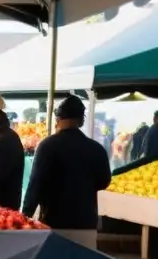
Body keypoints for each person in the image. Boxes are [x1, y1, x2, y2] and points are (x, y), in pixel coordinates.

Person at [21, 96, 111, 248]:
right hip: (86, 224)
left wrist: (24, 217)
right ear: (81, 120)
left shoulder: (47, 146)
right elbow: (104, 181)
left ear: (57, 119)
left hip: (54, 224)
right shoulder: (96, 148)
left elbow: (35, 185)